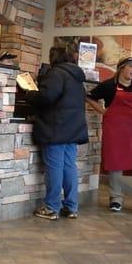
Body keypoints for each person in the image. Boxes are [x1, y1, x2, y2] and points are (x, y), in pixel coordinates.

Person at [86, 57, 132, 212]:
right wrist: (104, 111)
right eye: (130, 67)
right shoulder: (108, 86)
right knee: (116, 163)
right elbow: (89, 97)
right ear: (121, 68)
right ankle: (115, 198)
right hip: (115, 130)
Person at [25, 47, 88, 220]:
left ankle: (52, 207)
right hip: (73, 128)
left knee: (55, 167)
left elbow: (46, 97)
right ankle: (71, 207)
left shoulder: (56, 73)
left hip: (56, 128)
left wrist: (29, 93)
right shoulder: (76, 76)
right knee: (69, 166)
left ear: (53, 57)